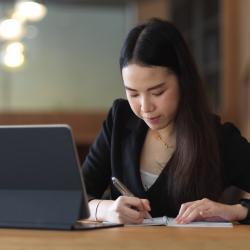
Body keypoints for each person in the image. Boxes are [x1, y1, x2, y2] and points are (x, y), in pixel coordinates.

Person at [82, 18, 250, 225]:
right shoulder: (120, 121)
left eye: (157, 92)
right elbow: (75, 197)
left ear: (182, 80)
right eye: (133, 94)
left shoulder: (218, 138)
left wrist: (235, 211)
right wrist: (104, 209)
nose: (145, 107)